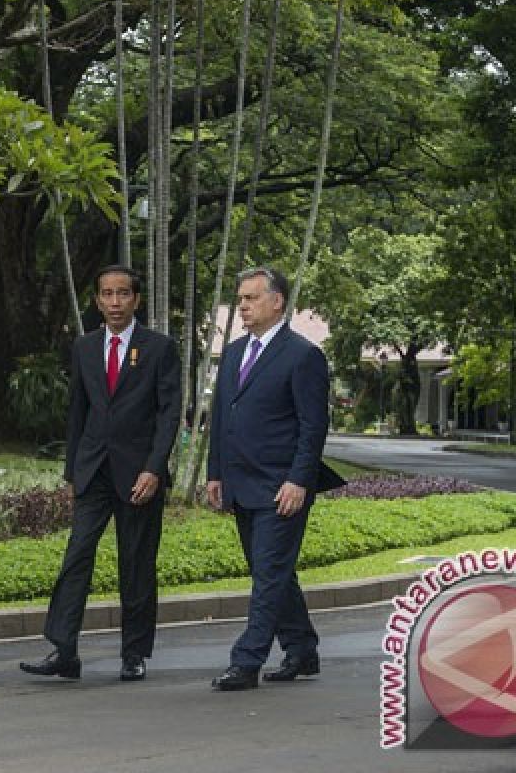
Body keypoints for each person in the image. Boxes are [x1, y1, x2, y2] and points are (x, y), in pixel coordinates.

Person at [20, 265, 181, 682]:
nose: (114, 303)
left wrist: (154, 469)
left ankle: (134, 654)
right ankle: (63, 650)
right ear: (96, 301)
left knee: (136, 563)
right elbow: (79, 410)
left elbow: (169, 416)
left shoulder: (159, 348)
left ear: (136, 299)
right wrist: (72, 469)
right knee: (76, 557)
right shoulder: (85, 347)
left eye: (122, 294)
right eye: (107, 295)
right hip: (93, 471)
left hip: (139, 476)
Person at [205, 266, 344, 691]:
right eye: (241, 299)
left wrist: (299, 480)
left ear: (277, 301)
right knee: (273, 572)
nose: (242, 306)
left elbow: (312, 426)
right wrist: (215, 473)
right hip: (241, 484)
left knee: (268, 574)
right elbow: (222, 418)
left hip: (282, 487)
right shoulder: (231, 354)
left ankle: (246, 661)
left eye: (251, 298)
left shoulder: (302, 355)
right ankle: (301, 649)